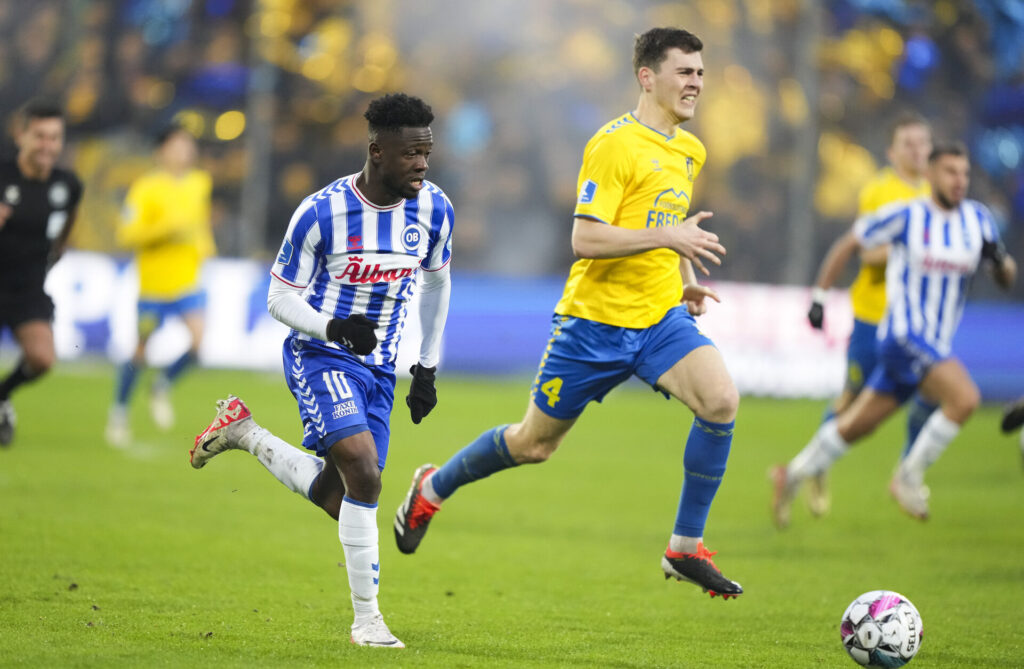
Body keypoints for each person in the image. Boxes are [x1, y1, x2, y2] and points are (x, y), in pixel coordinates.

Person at [393, 28, 742, 600]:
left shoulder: (690, 149)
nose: (696, 83)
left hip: (657, 318)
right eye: (685, 72)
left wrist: (685, 281)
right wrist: (668, 236)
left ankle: (684, 547)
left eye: (701, 73)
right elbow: (585, 238)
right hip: (593, 326)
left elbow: (665, 229)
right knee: (534, 444)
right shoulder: (614, 145)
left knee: (721, 400)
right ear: (648, 78)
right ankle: (433, 485)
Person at [190, 93, 452, 648]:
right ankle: (368, 621)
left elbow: (435, 284)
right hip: (322, 356)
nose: (422, 165)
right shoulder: (321, 212)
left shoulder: (434, 209)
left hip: (380, 370)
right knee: (365, 471)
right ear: (377, 152)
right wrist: (332, 328)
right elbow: (279, 299)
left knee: (345, 495)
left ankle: (244, 432)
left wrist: (426, 366)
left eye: (427, 153)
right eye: (411, 154)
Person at [773, 142, 1017, 524]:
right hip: (903, 336)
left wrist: (999, 260)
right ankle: (907, 475)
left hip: (936, 342)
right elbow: (851, 242)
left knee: (854, 427)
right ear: (932, 175)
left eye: (965, 173)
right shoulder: (907, 216)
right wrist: (820, 295)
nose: (960, 181)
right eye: (951, 172)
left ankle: (793, 474)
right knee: (965, 398)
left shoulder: (979, 220)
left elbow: (1006, 277)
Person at [802, 114, 933, 517]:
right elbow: (866, 252)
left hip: (917, 322)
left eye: (922, 144)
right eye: (908, 144)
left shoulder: (935, 193)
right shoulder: (879, 191)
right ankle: (815, 465)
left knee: (933, 395)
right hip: (874, 317)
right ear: (893, 152)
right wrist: (909, 249)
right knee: (852, 400)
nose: (917, 151)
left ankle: (907, 473)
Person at [104, 125, 216, 447]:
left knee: (198, 342)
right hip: (153, 285)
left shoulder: (199, 182)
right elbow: (127, 234)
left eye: (189, 144)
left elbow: (199, 224)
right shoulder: (145, 188)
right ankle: (119, 413)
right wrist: (166, 229)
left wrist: (205, 249)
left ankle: (162, 384)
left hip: (187, 280)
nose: (186, 151)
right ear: (162, 150)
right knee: (140, 351)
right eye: (179, 145)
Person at [0, 99, 83, 446]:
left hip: (27, 290)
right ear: (22, 136)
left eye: (54, 138)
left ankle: (2, 396)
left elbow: (64, 235)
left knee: (42, 358)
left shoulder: (68, 186)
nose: (47, 146)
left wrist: (49, 259)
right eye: (40, 136)